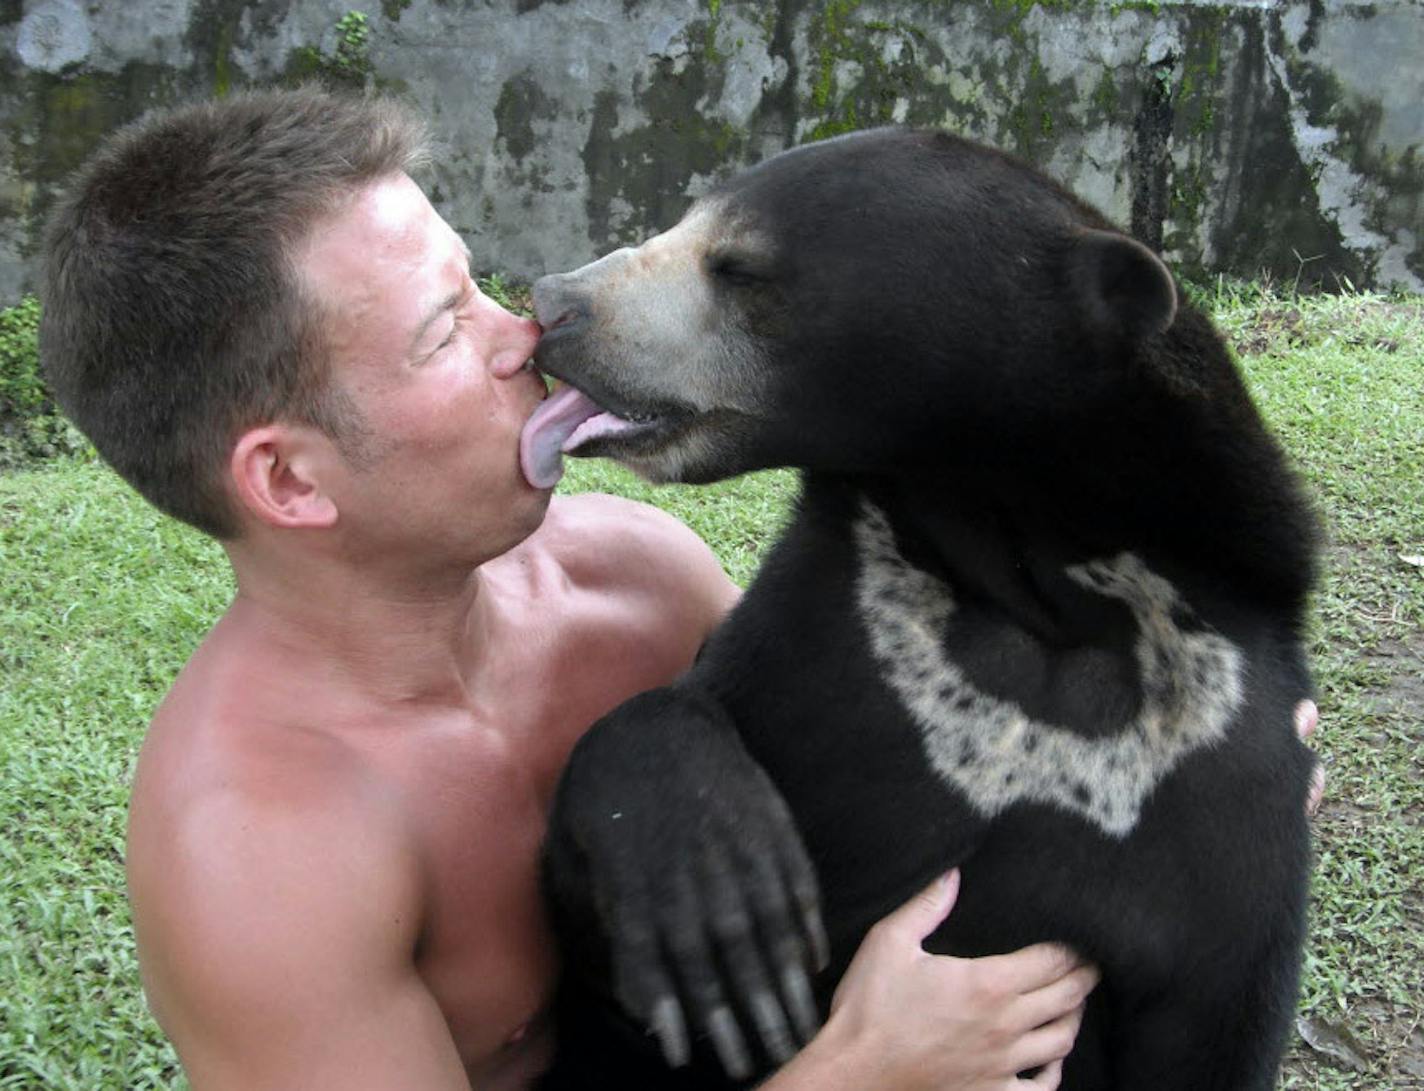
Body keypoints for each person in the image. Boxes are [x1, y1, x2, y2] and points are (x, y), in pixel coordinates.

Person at [38, 87, 1310, 1091]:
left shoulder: (627, 576)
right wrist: (863, 1070)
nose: (525, 327)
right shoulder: (267, 851)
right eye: (442, 333)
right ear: (291, 481)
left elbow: (866, 786)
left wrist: (1206, 788)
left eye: (478, 279)